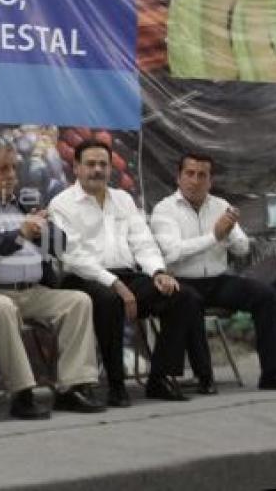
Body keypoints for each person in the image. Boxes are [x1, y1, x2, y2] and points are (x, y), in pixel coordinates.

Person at [0, 137, 104, 415]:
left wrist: (44, 231)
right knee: (1, 308)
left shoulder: (25, 204)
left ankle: (73, 387)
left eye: (14, 169)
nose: (11, 176)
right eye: (3, 169)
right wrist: (19, 234)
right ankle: (22, 393)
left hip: (33, 291)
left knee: (79, 301)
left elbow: (60, 245)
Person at [48, 139, 213, 406]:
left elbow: (142, 241)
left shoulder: (123, 199)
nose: (97, 170)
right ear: (75, 167)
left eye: (103, 164)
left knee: (184, 297)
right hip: (83, 278)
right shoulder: (61, 204)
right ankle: (116, 384)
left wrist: (158, 271)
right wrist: (113, 283)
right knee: (109, 300)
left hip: (127, 274)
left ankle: (160, 378)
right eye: (90, 164)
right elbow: (72, 255)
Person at [151, 152, 276, 390]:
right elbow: (173, 252)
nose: (195, 180)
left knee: (266, 295)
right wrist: (215, 236)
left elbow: (242, 249)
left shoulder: (222, 206)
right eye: (190, 174)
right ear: (178, 177)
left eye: (202, 175)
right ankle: (204, 376)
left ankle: (272, 373)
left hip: (218, 279)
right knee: (189, 302)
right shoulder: (164, 210)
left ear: (210, 180)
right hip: (182, 281)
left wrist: (231, 234)